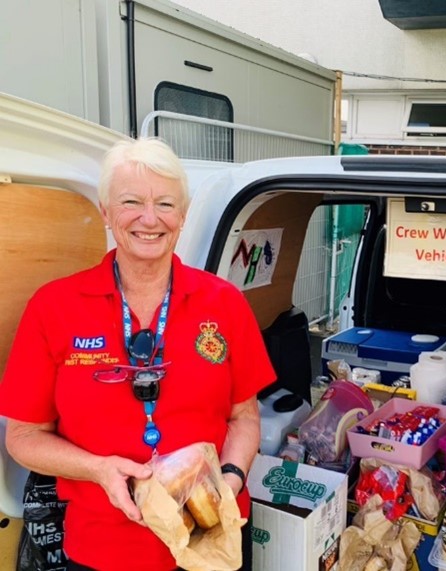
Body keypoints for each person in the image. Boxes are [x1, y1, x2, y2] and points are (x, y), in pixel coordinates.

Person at [0, 137, 276, 570]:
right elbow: (22, 437)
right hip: (103, 548)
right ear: (106, 212)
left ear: (182, 215)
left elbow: (245, 417)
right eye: (131, 201)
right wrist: (97, 469)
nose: (150, 219)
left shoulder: (224, 303)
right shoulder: (54, 307)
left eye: (165, 204)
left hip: (210, 540)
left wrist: (230, 476)